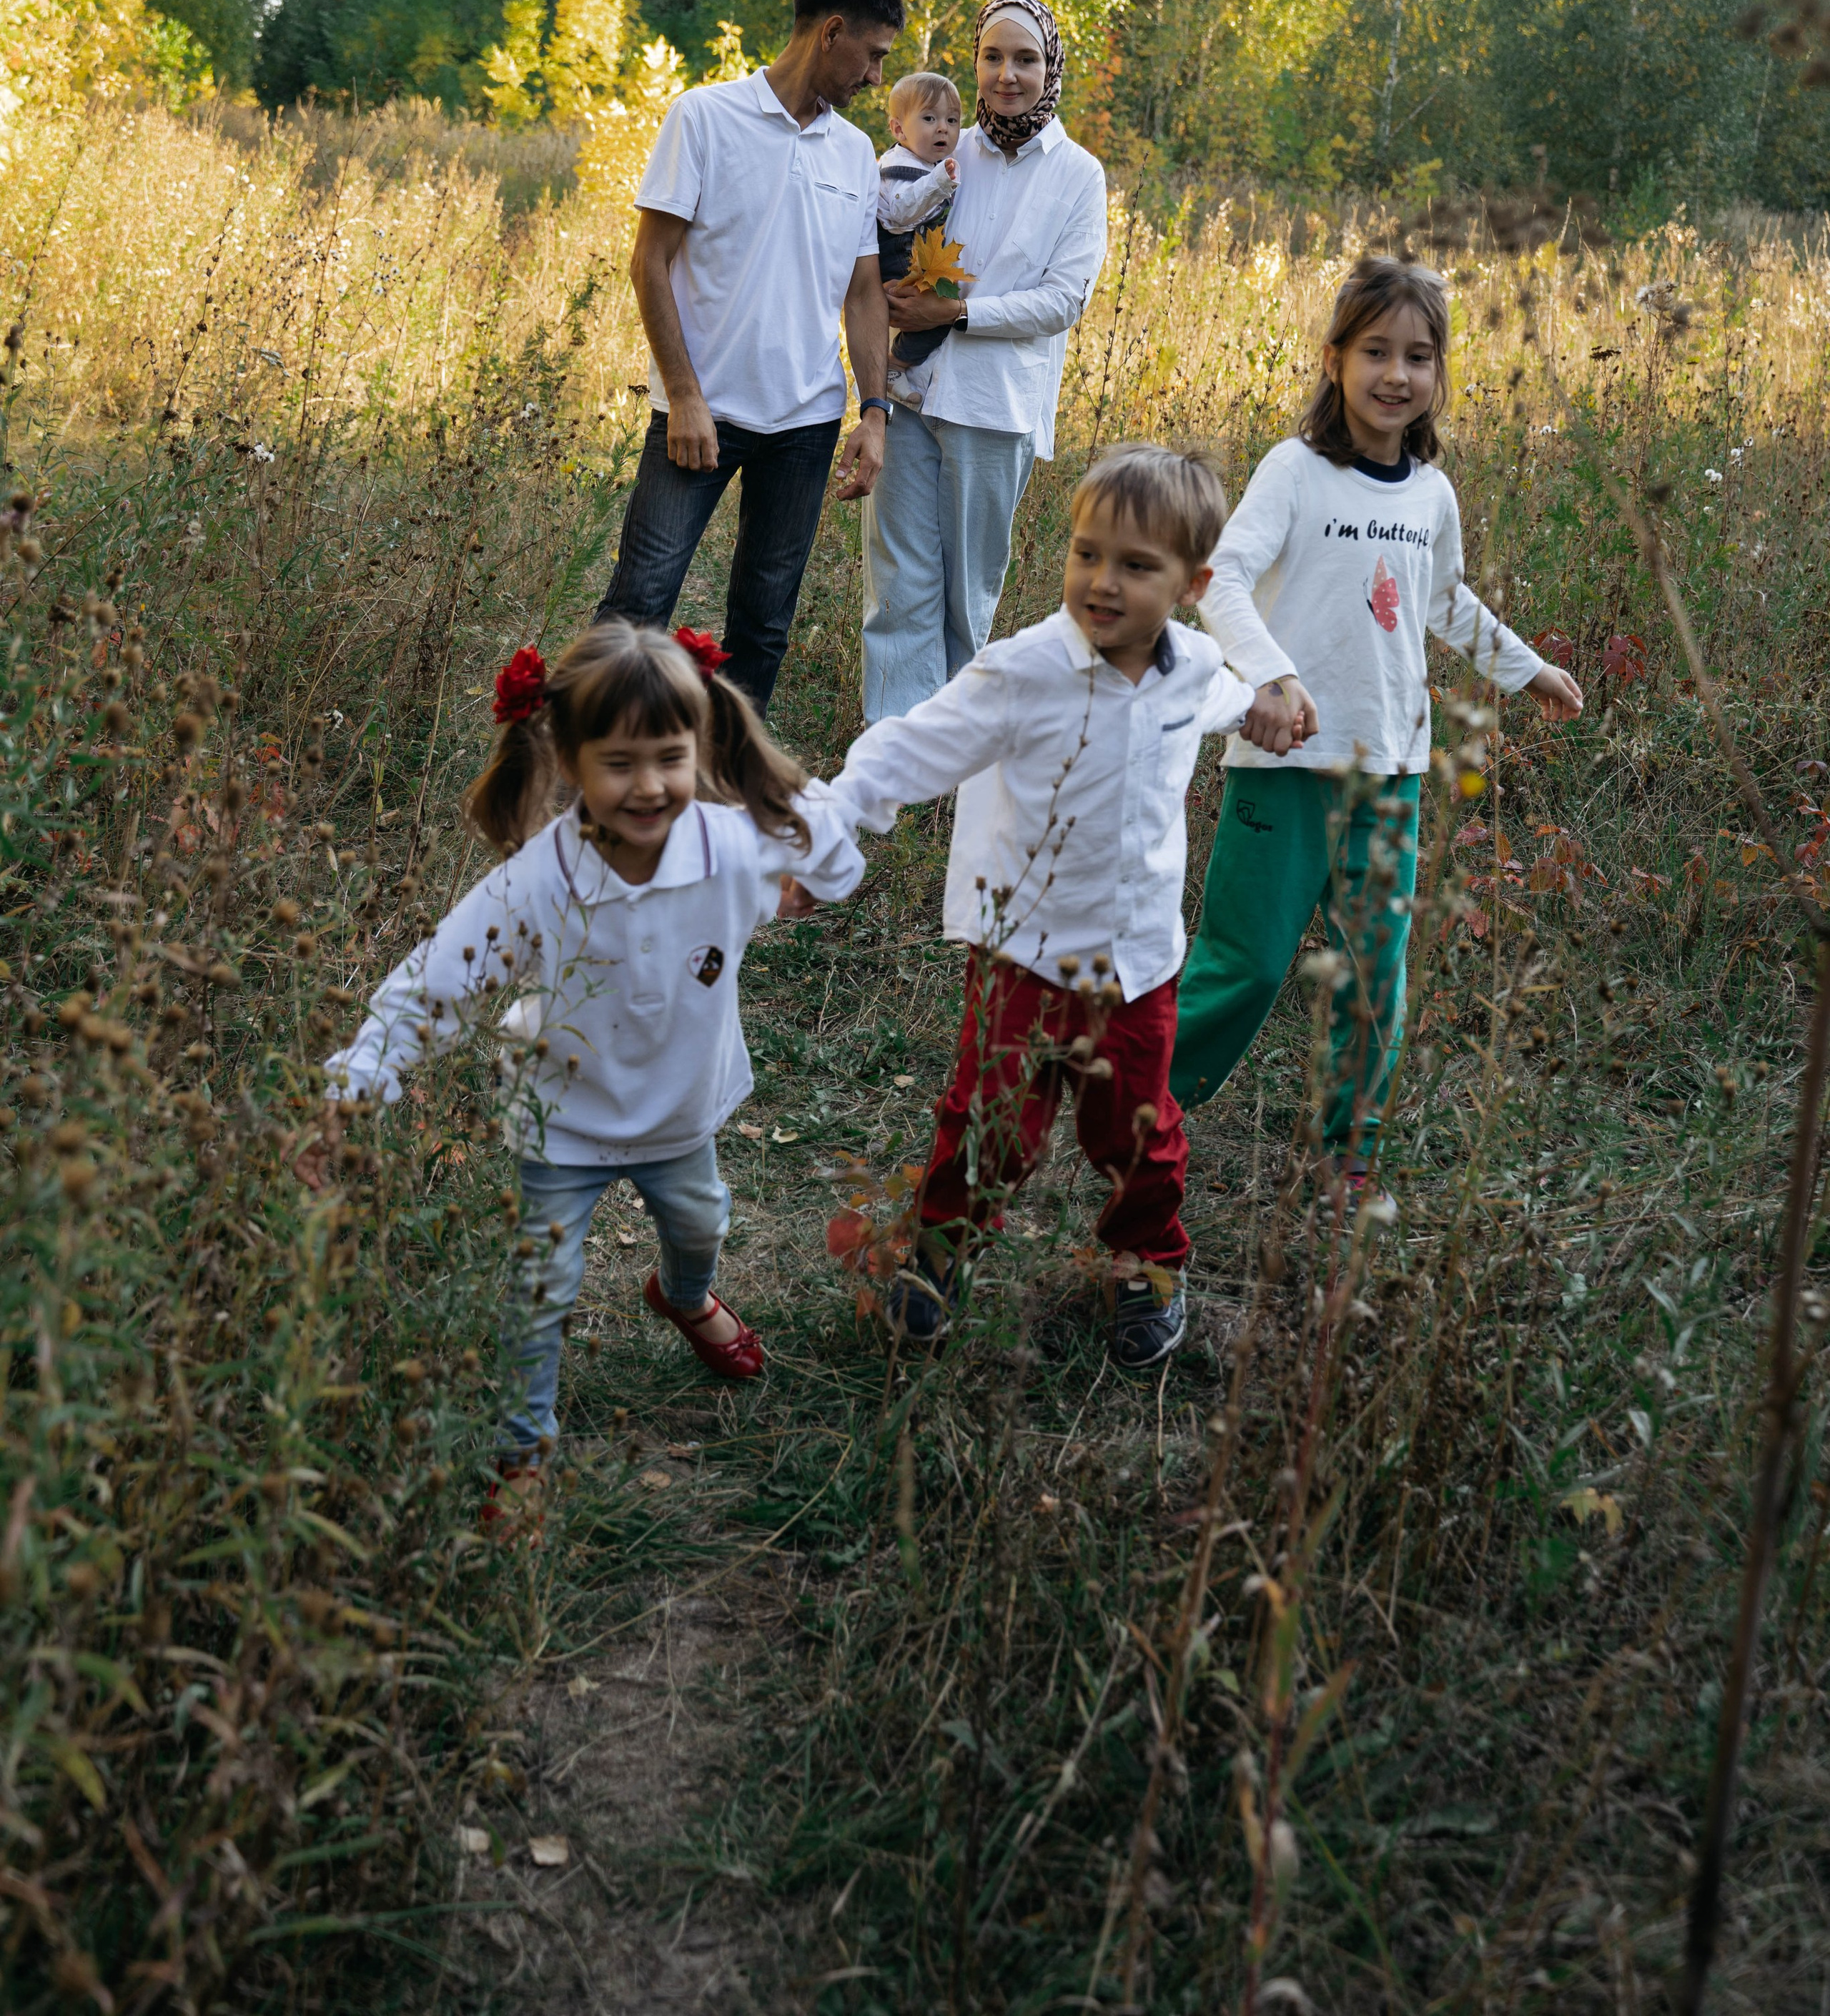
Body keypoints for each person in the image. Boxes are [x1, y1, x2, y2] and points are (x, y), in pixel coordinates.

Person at [321, 622, 864, 1506]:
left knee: (703, 1227)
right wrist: (355, 1087)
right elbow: (436, 985)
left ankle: (683, 1297)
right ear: (569, 761)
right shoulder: (539, 881)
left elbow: (838, 859)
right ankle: (523, 1451)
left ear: (701, 746)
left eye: (669, 757)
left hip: (679, 1112)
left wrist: (777, 814)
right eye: (618, 762)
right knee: (541, 1289)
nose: (649, 785)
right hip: (562, 1123)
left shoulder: (730, 845)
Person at [821, 445, 1297, 1373]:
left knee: (1139, 1132)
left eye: (1136, 566)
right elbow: (914, 747)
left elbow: (1226, 699)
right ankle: (938, 1257)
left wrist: (1261, 713)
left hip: (1138, 964)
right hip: (1026, 957)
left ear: (1193, 584)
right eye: (1088, 555)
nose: (1103, 582)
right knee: (991, 1127)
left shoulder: (1193, 666)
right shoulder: (1024, 670)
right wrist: (833, 821)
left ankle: (1146, 1265)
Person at [1170, 253, 1586, 1217]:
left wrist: (1525, 669)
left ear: (1440, 373)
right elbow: (1218, 581)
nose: (1395, 375)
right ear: (1334, 360)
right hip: (1287, 766)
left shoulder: (1431, 494)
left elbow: (1445, 599)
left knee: (1375, 972)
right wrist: (1268, 674)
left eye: (1418, 356)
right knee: (1248, 962)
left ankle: (1347, 1154)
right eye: (1374, 352)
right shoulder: (1295, 470)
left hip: (1390, 769)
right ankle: (1147, 1110)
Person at [593, 0, 906, 713]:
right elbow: (650, 263)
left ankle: (730, 792)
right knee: (638, 607)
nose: (874, 79)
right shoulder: (704, 117)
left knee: (762, 627)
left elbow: (863, 293)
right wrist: (685, 398)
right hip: (699, 415)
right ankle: (587, 777)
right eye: (873, 56)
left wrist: (872, 411)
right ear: (832, 33)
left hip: (801, 426)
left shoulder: (853, 155)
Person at [860, 0, 1107, 722]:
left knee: (966, 592)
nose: (1007, 74)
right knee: (897, 580)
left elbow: (1064, 300)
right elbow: (877, 232)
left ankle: (952, 748)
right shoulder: (940, 147)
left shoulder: (1076, 175)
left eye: (1024, 59)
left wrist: (958, 312)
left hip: (995, 407)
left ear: (1050, 67)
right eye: (992, 57)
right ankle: (892, 749)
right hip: (908, 394)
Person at [875, 68, 962, 412]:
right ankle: (892, 367)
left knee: (942, 314)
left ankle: (892, 366)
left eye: (952, 120)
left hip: (917, 257)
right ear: (899, 129)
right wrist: (939, 182)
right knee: (932, 317)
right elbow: (899, 212)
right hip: (898, 256)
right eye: (929, 118)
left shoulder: (930, 163)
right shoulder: (900, 164)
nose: (943, 127)